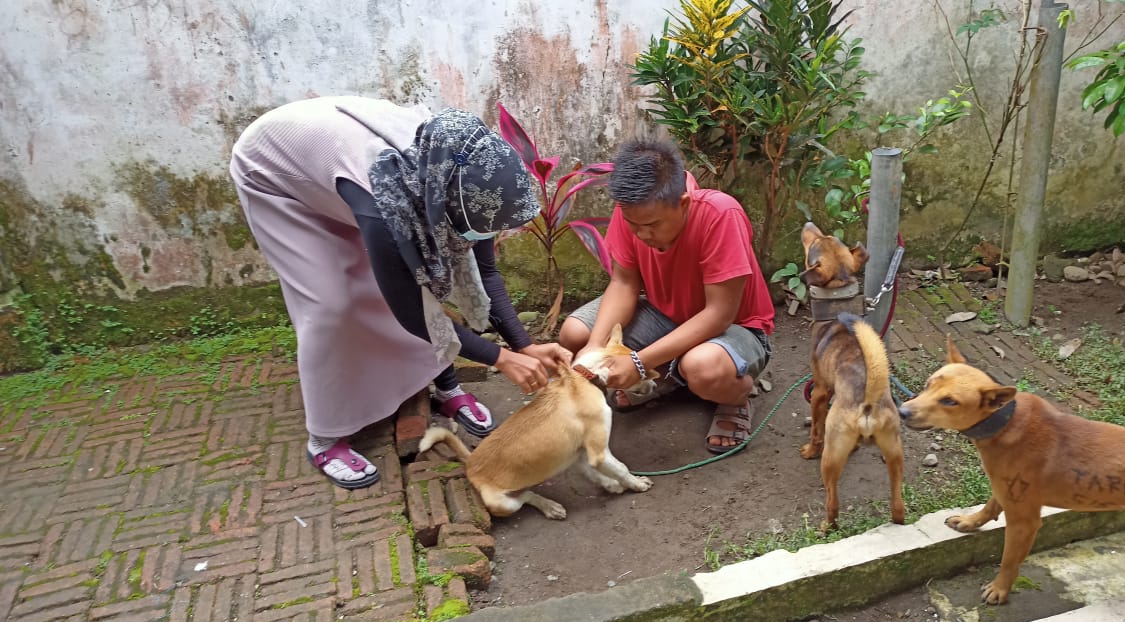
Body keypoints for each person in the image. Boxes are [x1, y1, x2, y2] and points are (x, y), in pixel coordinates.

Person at [230, 96, 571, 489]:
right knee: (333, 305)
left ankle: (444, 384)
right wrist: (499, 358)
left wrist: (523, 345)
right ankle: (324, 437)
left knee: (407, 277)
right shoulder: (388, 205)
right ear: (442, 203)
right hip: (277, 176)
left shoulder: (465, 174)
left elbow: (485, 270)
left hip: (337, 163)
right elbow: (412, 311)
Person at [558, 138, 775, 454]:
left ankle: (735, 396)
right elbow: (623, 284)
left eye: (652, 225)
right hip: (665, 317)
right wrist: (594, 348)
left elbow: (719, 314)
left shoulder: (720, 214)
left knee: (704, 368)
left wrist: (639, 362)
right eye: (634, 225)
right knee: (575, 334)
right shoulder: (632, 210)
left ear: (683, 204)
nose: (643, 235)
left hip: (735, 330)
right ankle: (670, 376)